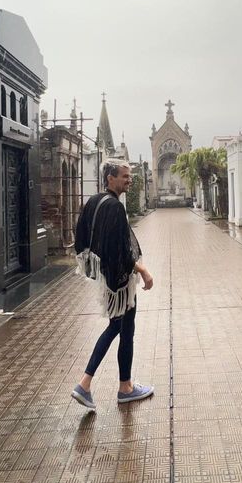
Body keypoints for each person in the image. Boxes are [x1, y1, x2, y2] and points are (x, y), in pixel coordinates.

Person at [71, 161, 154, 411]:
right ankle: (87, 384)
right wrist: (143, 270)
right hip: (121, 282)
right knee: (118, 327)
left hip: (107, 278)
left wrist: (96, 264)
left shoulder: (93, 202)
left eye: (130, 176)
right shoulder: (115, 207)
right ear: (110, 178)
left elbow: (81, 239)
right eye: (124, 177)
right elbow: (119, 249)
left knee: (124, 328)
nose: (129, 180)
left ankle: (124, 385)